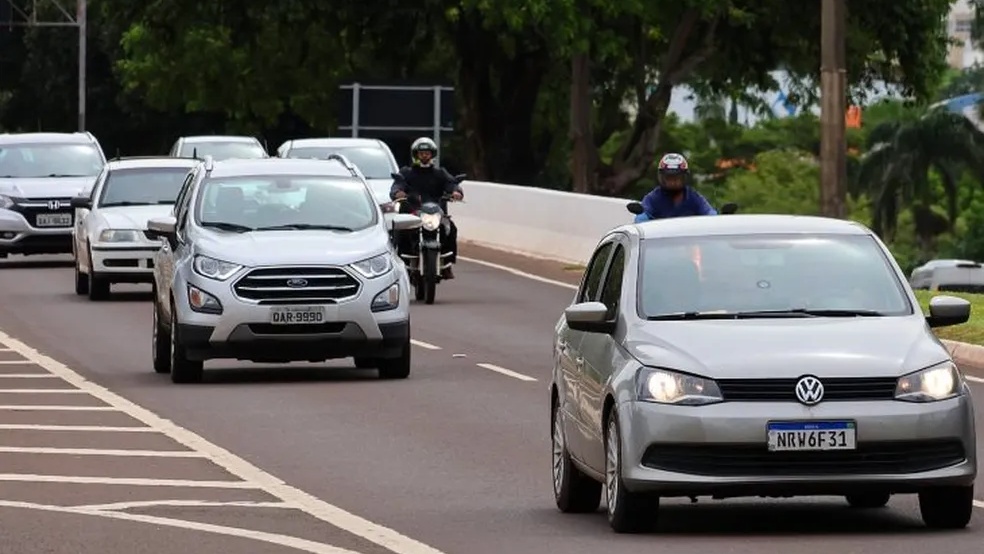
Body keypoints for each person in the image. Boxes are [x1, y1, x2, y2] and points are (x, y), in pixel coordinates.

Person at [389, 137, 464, 279]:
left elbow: (451, 183)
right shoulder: (406, 173)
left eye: (427, 153)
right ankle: (397, 264)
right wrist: (398, 192)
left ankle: (447, 264)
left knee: (451, 229)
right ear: (416, 154)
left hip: (436, 213)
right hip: (413, 213)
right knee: (399, 231)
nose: (424, 155)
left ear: (432, 155)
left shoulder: (440, 173)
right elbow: (397, 185)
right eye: (421, 153)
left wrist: (456, 192)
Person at [635, 152, 717, 222]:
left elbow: (709, 213)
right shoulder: (652, 198)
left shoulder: (693, 197)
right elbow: (642, 217)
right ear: (662, 178)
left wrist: (716, 218)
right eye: (669, 178)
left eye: (677, 178)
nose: (673, 182)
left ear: (684, 178)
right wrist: (642, 217)